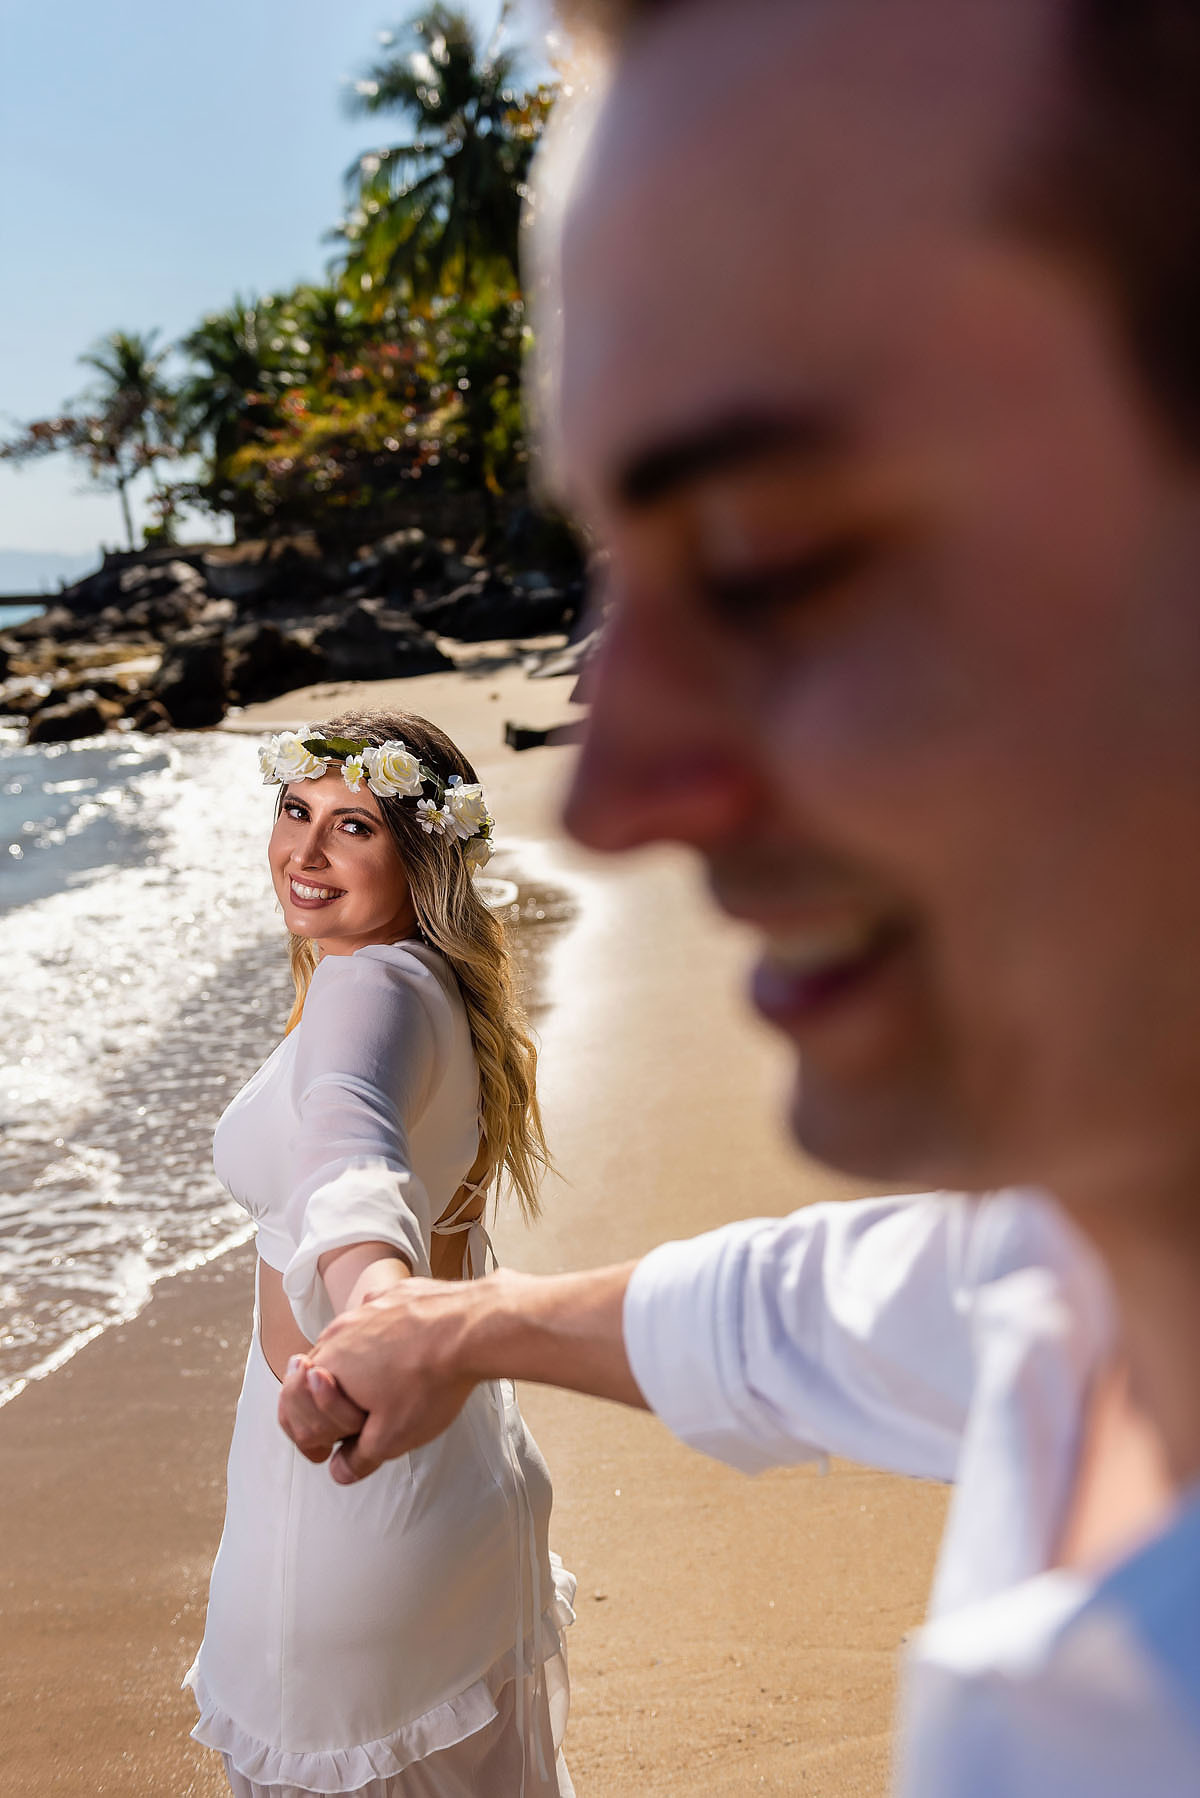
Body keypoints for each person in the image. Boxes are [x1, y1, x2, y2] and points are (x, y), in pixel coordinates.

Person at [279, 2, 1200, 1791]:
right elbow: (845, 1307)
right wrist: (459, 1321)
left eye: (775, 555)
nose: (617, 803)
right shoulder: (1091, 1278)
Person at [184, 708, 576, 1798]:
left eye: (351, 825)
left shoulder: (369, 989)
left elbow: (349, 1154)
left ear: (423, 851)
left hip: (351, 1495)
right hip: (448, 1474)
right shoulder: (424, 984)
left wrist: (374, 1308)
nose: (302, 853)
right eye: (293, 811)